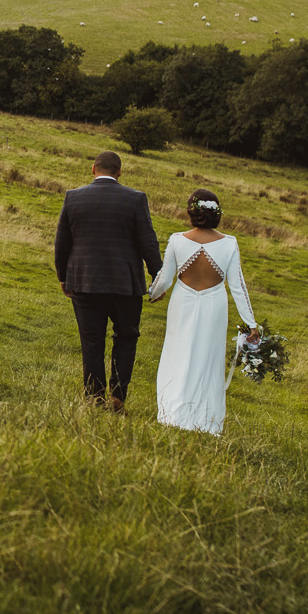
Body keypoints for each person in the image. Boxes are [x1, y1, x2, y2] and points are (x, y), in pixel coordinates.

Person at [53, 150, 161, 411]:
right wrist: (158, 277)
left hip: (85, 282)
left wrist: (64, 278)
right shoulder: (135, 199)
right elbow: (148, 242)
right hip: (126, 284)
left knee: (91, 340)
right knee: (126, 338)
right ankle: (118, 396)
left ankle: (94, 397)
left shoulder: (73, 197)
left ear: (93, 169)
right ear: (120, 171)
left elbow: (62, 243)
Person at [145, 188, 260, 436]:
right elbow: (238, 287)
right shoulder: (229, 244)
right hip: (214, 306)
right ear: (217, 213)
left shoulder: (177, 239)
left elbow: (165, 280)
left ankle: (172, 413)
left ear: (191, 211)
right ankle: (205, 418)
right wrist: (251, 323)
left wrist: (153, 294)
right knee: (209, 357)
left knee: (178, 353)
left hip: (183, 302)